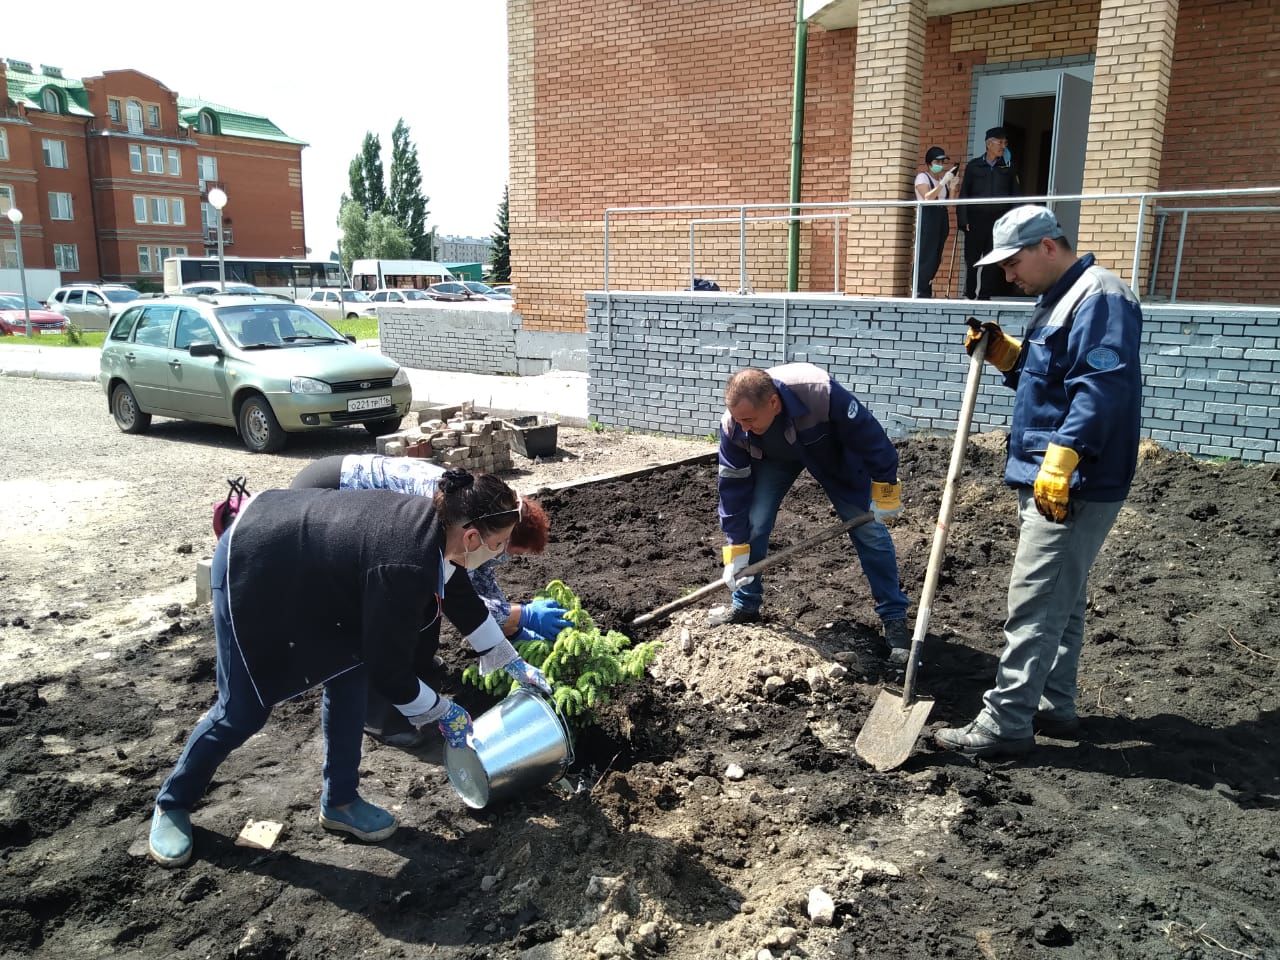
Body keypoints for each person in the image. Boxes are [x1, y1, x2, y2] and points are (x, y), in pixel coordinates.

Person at [147, 469, 552, 868]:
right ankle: (172, 802)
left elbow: (461, 599)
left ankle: (339, 801)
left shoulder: (441, 532)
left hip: (318, 576)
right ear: (472, 537)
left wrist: (512, 664)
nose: (499, 553)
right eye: (498, 544)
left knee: (349, 679)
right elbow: (389, 671)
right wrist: (445, 712)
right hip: (257, 565)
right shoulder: (405, 563)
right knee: (242, 711)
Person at [935, 205, 1143, 758]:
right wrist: (1009, 357)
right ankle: (1054, 702)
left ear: (1048, 245)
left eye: (1013, 262)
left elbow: (1101, 389)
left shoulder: (1101, 297)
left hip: (1073, 480)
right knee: (1061, 599)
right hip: (1055, 471)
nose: (1008, 275)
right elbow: (1051, 382)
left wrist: (1065, 457)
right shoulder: (1058, 299)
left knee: (1034, 600)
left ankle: (1006, 722)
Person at [290, 454, 567, 748]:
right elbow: (395, 643)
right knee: (384, 620)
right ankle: (379, 715)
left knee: (427, 602)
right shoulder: (427, 537)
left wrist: (509, 654)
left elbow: (460, 592)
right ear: (478, 536)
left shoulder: (464, 522)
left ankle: (415, 676)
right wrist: (521, 616)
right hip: (327, 497)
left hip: (363, 518)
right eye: (502, 547)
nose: (502, 556)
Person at [713, 364, 912, 661]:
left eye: (750, 420)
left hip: (828, 450)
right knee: (754, 524)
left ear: (773, 403)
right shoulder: (734, 425)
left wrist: (885, 487)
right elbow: (732, 487)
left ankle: (894, 617)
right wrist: (736, 547)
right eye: (740, 420)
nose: (743, 426)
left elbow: (869, 436)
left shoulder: (820, 392)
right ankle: (745, 604)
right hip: (774, 459)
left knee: (868, 530)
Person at [957, 127, 1021, 300]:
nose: (1003, 146)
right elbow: (964, 193)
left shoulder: (1008, 167)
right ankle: (969, 294)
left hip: (998, 221)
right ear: (989, 144)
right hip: (976, 220)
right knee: (972, 259)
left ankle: (985, 295)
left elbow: (1015, 195)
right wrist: (963, 220)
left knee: (992, 260)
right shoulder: (974, 166)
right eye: (1000, 142)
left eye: (1005, 143)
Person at [914, 146, 961, 298]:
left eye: (942, 162)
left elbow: (951, 204)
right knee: (926, 254)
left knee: (936, 255)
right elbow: (927, 197)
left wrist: (953, 186)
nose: (940, 165)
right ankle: (919, 289)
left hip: (941, 216)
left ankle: (927, 286)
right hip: (928, 216)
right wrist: (943, 183)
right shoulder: (923, 177)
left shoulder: (942, 180)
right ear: (929, 163)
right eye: (937, 161)